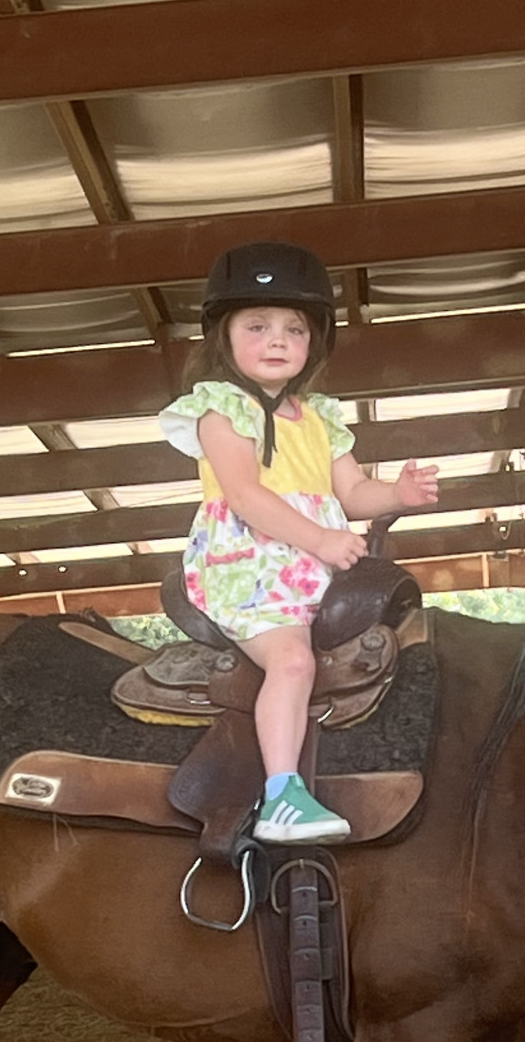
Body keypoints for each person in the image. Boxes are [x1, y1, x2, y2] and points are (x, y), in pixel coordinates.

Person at [160, 242, 438, 843]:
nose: (277, 340)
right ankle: (282, 796)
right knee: (292, 661)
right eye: (257, 326)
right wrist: (319, 537)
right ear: (224, 337)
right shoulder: (220, 409)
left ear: (314, 342)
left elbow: (353, 492)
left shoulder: (320, 418)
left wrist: (397, 494)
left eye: (294, 329)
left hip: (316, 563)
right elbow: (244, 495)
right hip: (249, 563)